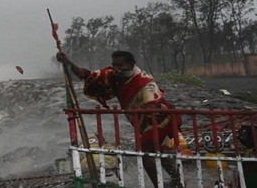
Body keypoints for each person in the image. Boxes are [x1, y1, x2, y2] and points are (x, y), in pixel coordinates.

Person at [56, 50, 185, 188]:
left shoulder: (144, 81)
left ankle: (159, 185)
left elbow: (152, 101)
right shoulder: (113, 75)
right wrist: (68, 62)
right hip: (143, 119)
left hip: (159, 119)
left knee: (144, 152)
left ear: (131, 65)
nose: (117, 69)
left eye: (120, 65)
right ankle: (177, 181)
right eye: (114, 65)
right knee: (159, 149)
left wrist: (150, 110)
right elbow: (87, 75)